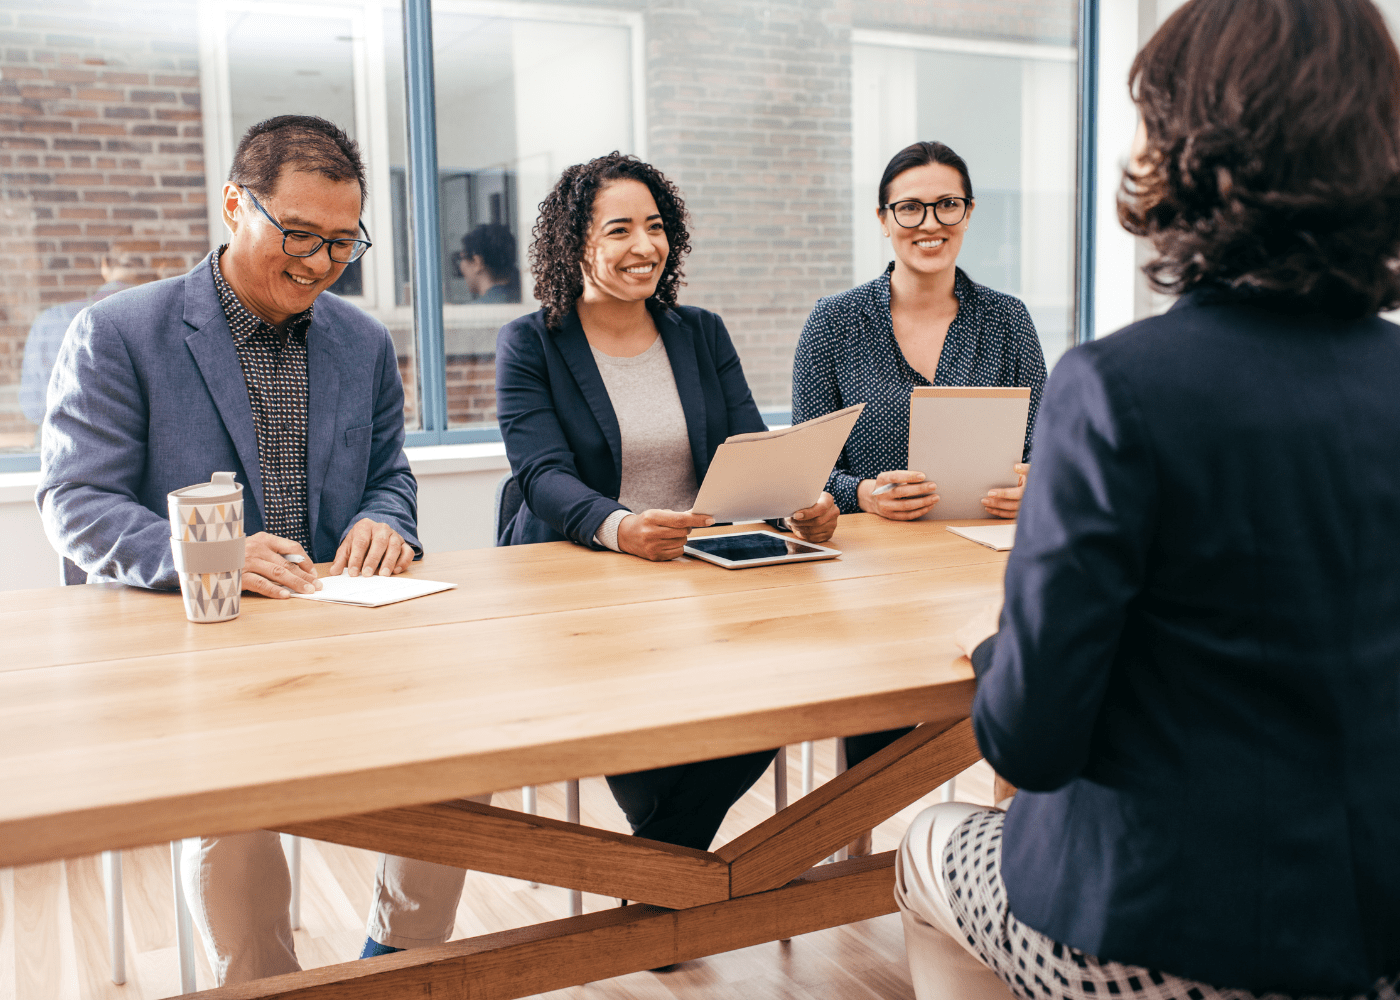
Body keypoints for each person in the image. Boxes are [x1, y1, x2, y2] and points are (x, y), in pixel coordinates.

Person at [895, 1, 1400, 997]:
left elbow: (1029, 745)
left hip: (1159, 931)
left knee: (925, 844)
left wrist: (1000, 646)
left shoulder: (1117, 387)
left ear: (1186, 147)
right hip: (1371, 929)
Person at [357, 151, 839, 957]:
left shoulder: (701, 333)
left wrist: (796, 500)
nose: (642, 245)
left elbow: (747, 447)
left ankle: (659, 881)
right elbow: (541, 474)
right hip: (579, 583)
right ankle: (675, 891)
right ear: (575, 245)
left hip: (703, 578)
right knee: (632, 722)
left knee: (787, 690)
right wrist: (621, 527)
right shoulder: (531, 343)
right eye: (619, 229)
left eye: (655, 227)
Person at [37, 114, 420, 984]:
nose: (320, 263)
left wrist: (386, 521)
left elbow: (391, 476)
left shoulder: (360, 343)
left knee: (468, 766)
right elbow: (74, 502)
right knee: (235, 803)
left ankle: (402, 960)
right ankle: (267, 982)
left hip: (342, 639)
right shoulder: (121, 332)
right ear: (232, 207)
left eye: (341, 243)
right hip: (196, 649)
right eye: (298, 234)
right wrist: (206, 557)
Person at [790, 141, 1048, 823]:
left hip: (985, 565)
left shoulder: (1009, 321)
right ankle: (852, 856)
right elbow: (807, 466)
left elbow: (1050, 449)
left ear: (967, 213)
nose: (929, 222)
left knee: (1021, 698)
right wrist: (861, 494)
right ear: (882, 217)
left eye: (947, 204)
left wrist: (1034, 485)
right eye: (910, 206)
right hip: (871, 573)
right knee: (876, 740)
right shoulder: (834, 324)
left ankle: (1005, 837)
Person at [18, 253, 151, 440]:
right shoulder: (166, 324)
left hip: (63, 445)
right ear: (155, 268)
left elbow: (32, 406)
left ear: (105, 265)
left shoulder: (51, 320)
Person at [454, 222, 521, 303]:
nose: (461, 267)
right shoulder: (521, 299)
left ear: (477, 262)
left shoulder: (472, 312)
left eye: (461, 258)